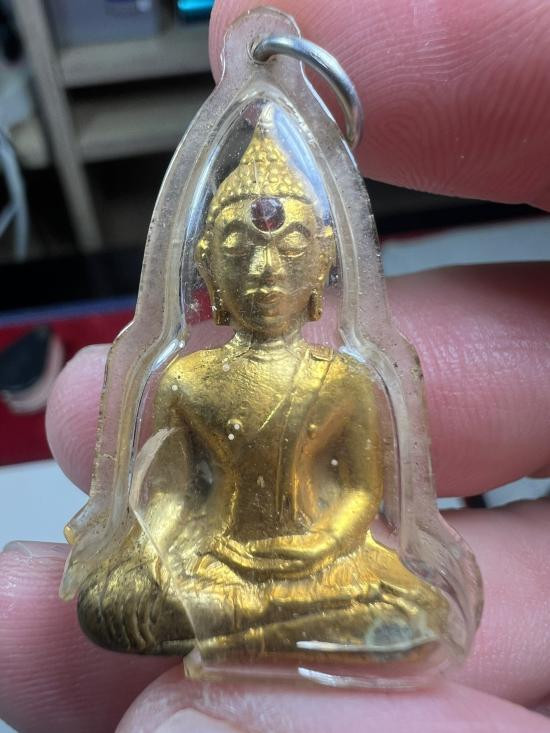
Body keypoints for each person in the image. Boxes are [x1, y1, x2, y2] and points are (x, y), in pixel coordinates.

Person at [1, 0, 550, 730]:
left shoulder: (343, 379)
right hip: (218, 560)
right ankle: (244, 613)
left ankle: (260, 620)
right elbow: (176, 494)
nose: (264, 271)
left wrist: (314, 547)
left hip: (320, 567)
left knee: (414, 611)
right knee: (112, 604)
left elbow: (358, 494)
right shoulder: (186, 380)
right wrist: (176, 546)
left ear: (320, 267)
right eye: (239, 252)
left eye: (289, 252)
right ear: (208, 272)